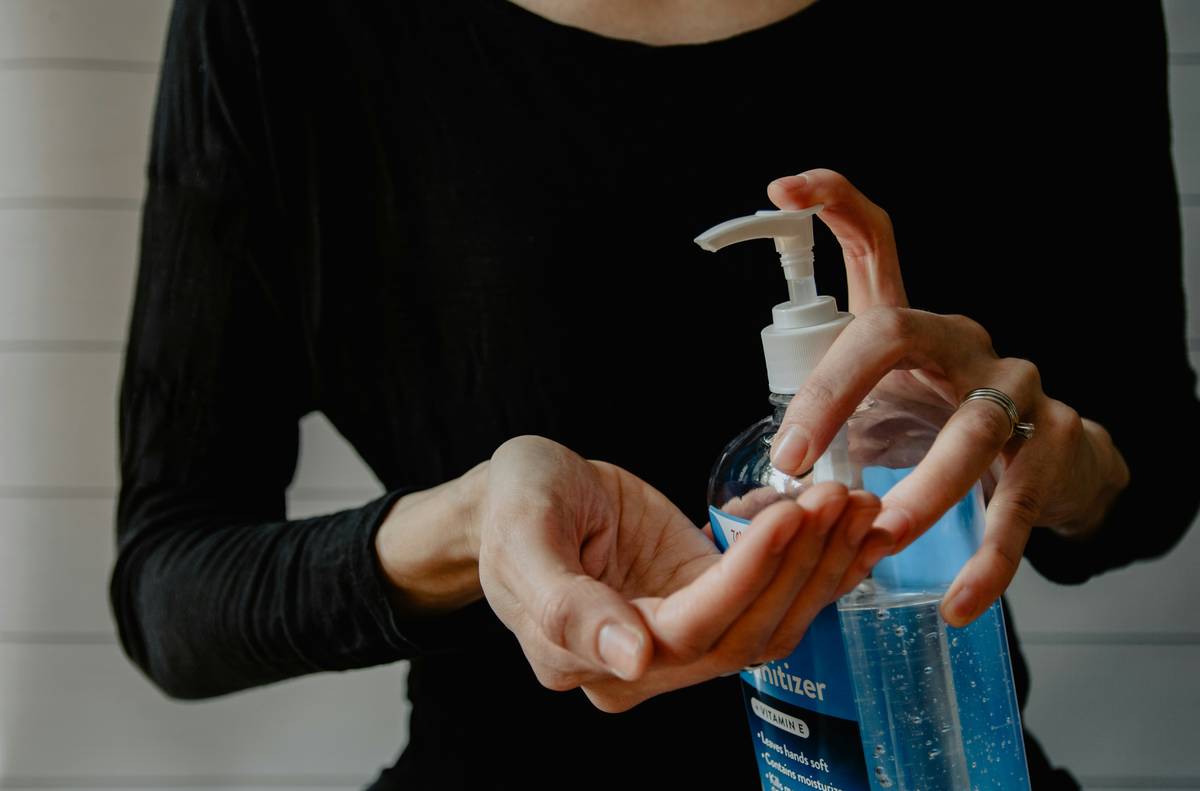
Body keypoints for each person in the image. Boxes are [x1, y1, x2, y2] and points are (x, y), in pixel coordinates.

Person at [109, 0, 1199, 788]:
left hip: (944, 764)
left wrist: (1061, 464)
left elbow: (1149, 489)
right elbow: (169, 587)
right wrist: (472, 528)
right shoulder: (285, 27)